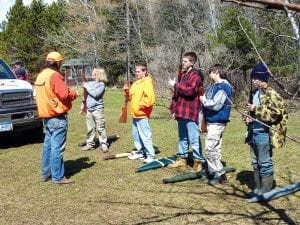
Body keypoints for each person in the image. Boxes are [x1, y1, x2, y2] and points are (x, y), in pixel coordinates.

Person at [35, 51, 79, 185]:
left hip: (47, 116)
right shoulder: (54, 76)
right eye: (61, 63)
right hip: (57, 116)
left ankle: (45, 173)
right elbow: (64, 95)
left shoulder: (41, 75)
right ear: (58, 63)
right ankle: (58, 177)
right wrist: (74, 93)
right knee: (57, 147)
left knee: (48, 146)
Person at [245, 61, 288, 196]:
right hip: (253, 132)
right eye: (253, 78)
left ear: (263, 78)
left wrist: (255, 109)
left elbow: (275, 114)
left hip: (265, 133)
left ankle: (266, 190)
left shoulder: (272, 94)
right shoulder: (254, 93)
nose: (253, 80)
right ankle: (258, 188)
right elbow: (250, 111)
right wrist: (248, 117)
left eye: (256, 78)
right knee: (254, 161)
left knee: (264, 162)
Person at [167, 52, 206, 172]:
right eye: (183, 61)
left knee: (194, 138)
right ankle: (182, 160)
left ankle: (198, 162)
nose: (183, 63)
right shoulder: (183, 75)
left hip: (191, 112)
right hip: (181, 111)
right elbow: (177, 95)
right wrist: (173, 109)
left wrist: (176, 85)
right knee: (182, 137)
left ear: (192, 62)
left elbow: (190, 91)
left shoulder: (196, 76)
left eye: (185, 61)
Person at [199, 64, 232, 185]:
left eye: (210, 72)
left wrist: (203, 100)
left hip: (217, 122)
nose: (209, 74)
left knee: (210, 149)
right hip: (211, 121)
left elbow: (215, 104)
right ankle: (213, 172)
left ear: (216, 71)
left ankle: (220, 175)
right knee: (215, 149)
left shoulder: (224, 86)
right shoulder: (214, 86)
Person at [125, 63, 156, 164]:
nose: (137, 73)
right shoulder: (136, 83)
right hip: (135, 114)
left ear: (145, 71)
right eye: (136, 71)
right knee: (136, 135)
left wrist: (140, 106)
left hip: (142, 114)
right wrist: (126, 91)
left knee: (145, 136)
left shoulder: (147, 82)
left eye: (139, 71)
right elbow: (130, 98)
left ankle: (151, 155)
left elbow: (150, 99)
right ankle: (141, 152)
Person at [81, 68, 109, 152]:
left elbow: (96, 94)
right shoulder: (91, 83)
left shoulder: (102, 84)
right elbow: (86, 94)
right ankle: (90, 144)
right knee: (90, 128)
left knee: (100, 127)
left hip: (98, 109)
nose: (92, 75)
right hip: (89, 109)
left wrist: (86, 86)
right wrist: (83, 105)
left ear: (98, 75)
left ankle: (103, 144)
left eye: (94, 74)